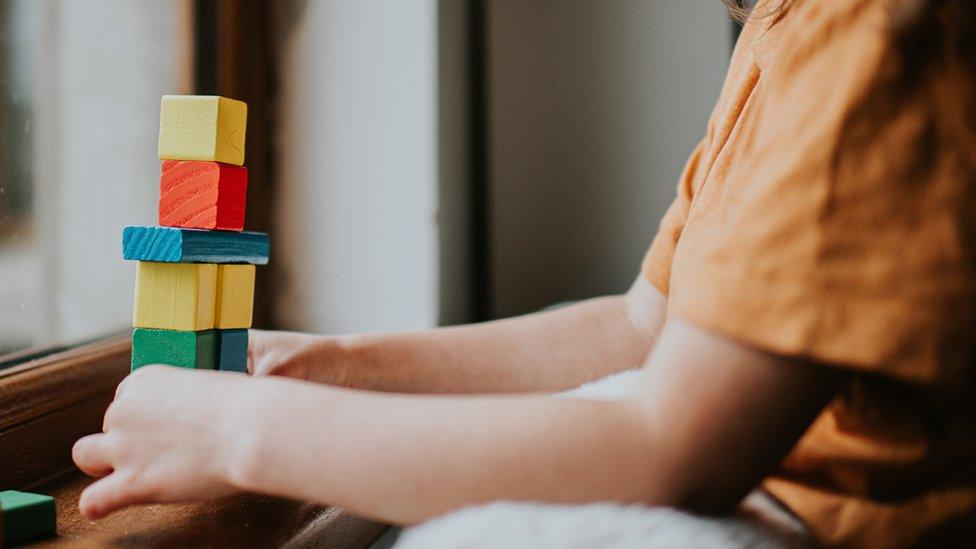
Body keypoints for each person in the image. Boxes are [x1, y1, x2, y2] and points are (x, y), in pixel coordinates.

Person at [72, 0, 976, 545]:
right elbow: (643, 326)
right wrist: (328, 363)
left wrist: (247, 430)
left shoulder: (875, 34)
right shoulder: (789, 26)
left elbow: (674, 450)